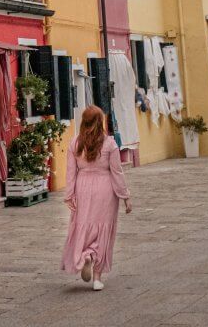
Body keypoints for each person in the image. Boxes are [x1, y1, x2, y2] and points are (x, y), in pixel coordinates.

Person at [61, 105, 132, 291]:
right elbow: (117, 172)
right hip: (105, 189)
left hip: (82, 187)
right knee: (103, 229)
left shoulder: (75, 143)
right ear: (100, 121)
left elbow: (70, 173)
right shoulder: (109, 143)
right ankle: (97, 277)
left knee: (84, 225)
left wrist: (69, 195)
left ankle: (86, 255)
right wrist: (125, 197)